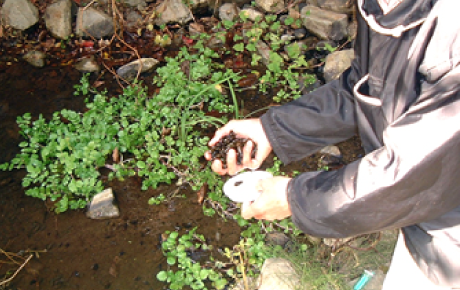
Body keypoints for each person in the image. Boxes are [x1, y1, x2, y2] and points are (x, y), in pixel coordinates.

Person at [204, 0, 460, 289]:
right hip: (426, 227)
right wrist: (271, 129)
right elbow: (364, 86)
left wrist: (295, 198)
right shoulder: (379, 7)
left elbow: (412, 173)